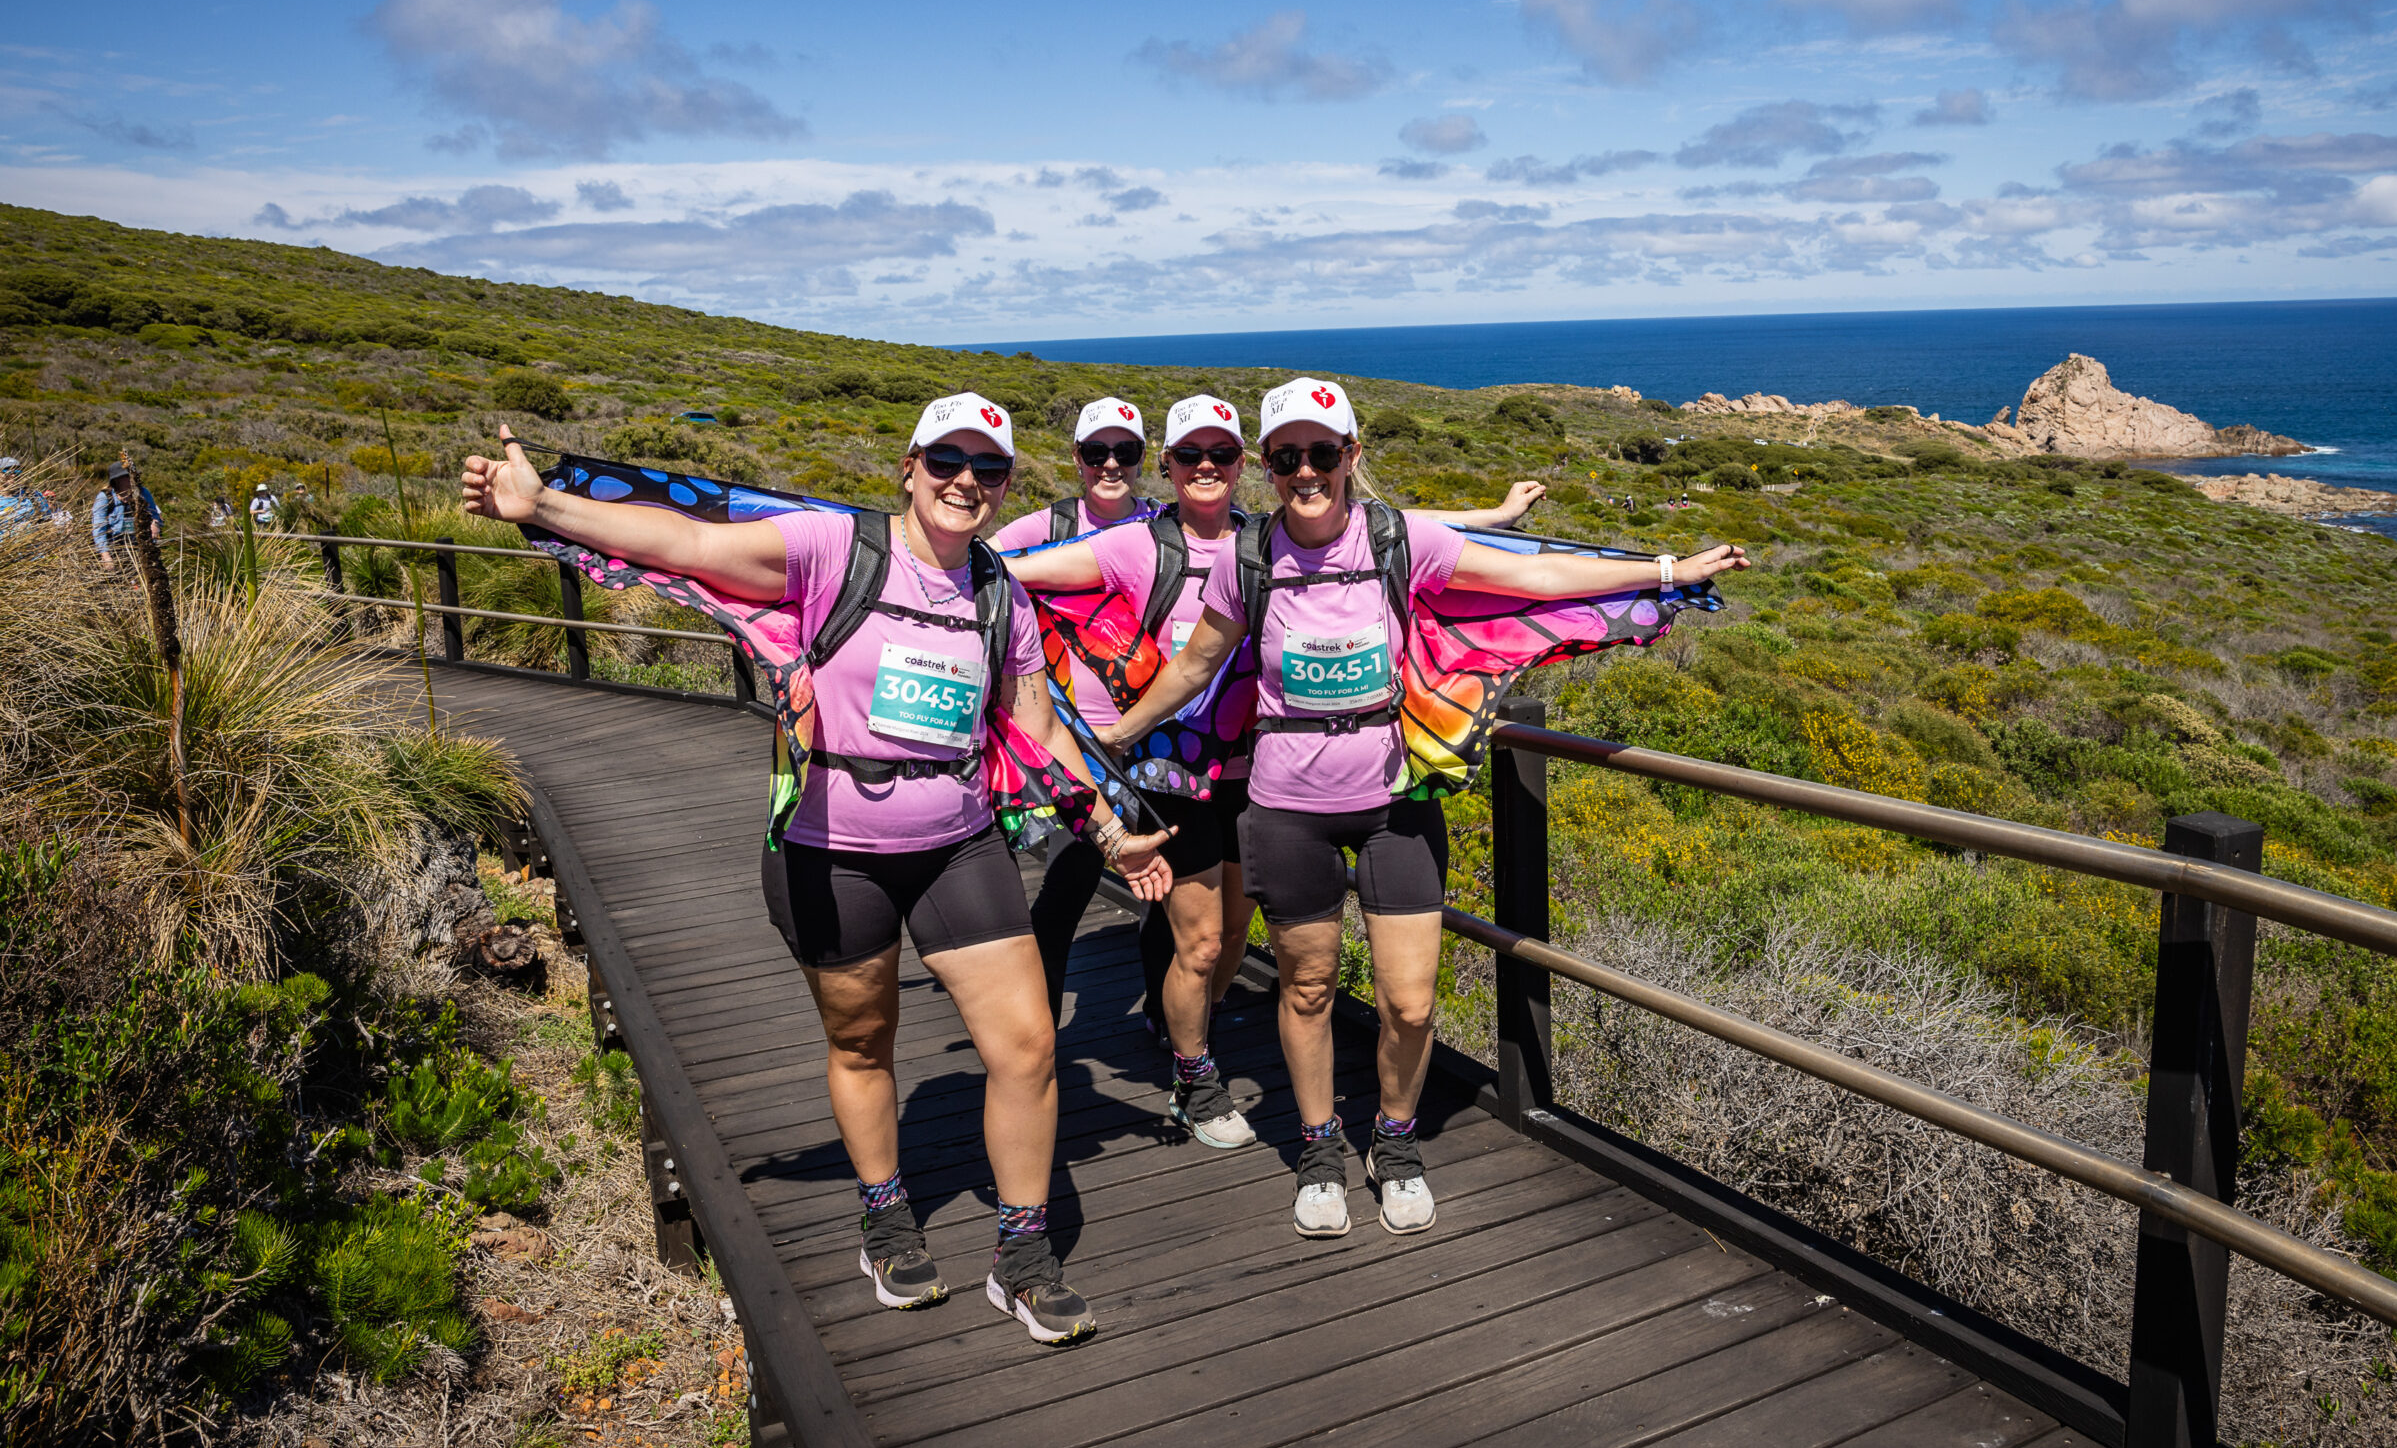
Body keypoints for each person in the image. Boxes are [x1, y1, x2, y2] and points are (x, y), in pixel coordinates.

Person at [460, 393, 1173, 1348]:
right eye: (948, 461)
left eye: (989, 468)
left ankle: (1023, 1252)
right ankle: (886, 1214)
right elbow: (690, 544)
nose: (966, 481)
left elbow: (1037, 726)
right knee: (863, 1040)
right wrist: (543, 505)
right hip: (834, 850)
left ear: (1005, 485)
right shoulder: (838, 548)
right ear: (909, 467)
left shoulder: (999, 591)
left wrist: (1111, 830)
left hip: (960, 842)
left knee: (1029, 1045)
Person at [1105, 377, 1749, 1239]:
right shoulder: (1247, 557)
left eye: (1322, 452)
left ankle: (1396, 1140)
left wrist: (1668, 569)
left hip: (1393, 802)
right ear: (1268, 464)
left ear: (1351, 455)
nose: (1306, 470)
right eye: (1288, 456)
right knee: (1307, 988)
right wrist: (1115, 735)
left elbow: (1535, 575)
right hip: (1286, 806)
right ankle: (1320, 1148)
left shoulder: (1399, 538)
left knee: (1409, 1001)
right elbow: (1195, 664)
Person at [988, 396, 1173, 1036]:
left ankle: (1162, 1015)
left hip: (1157, 739)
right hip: (1073, 744)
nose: (1111, 464)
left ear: (1144, 458)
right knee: (1069, 883)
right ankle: (1038, 1032)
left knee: (1162, 887)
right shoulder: (1045, 526)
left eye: (1125, 451)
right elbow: (970, 567)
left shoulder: (1165, 526)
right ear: (1077, 457)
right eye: (1097, 451)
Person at [91, 463, 163, 564]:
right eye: (127, 477)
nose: (132, 479)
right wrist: (106, 556)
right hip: (113, 548)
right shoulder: (105, 497)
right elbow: (98, 529)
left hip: (138, 547)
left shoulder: (143, 493)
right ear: (117, 480)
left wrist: (155, 524)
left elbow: (154, 514)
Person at [0, 458, 52, 533]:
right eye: (8, 472)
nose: (13, 475)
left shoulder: (34, 495)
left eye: (17, 472)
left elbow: (48, 522)